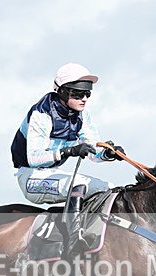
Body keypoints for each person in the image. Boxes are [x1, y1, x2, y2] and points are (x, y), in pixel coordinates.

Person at [11, 63, 124, 257]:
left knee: (108, 188)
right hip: (30, 176)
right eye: (79, 94)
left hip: (52, 175)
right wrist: (68, 151)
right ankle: (73, 245)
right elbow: (34, 158)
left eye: (88, 94)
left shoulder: (82, 115)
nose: (85, 99)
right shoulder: (41, 114)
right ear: (62, 92)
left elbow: (91, 149)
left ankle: (96, 238)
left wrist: (106, 153)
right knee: (79, 183)